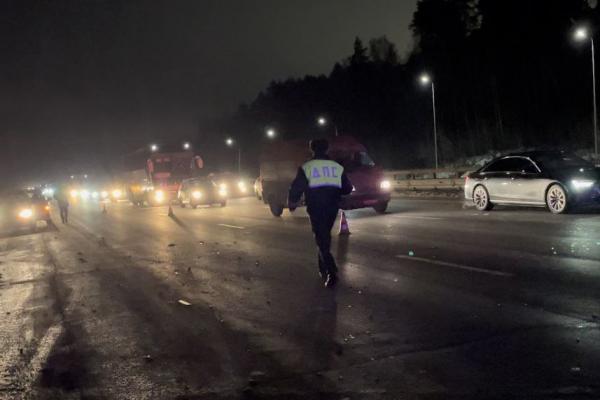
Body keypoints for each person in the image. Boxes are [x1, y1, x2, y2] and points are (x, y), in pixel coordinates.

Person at [288, 139, 353, 288]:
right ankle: (322, 268)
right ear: (327, 149)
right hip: (332, 207)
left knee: (321, 239)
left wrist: (292, 202)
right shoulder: (337, 167)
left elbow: (296, 187)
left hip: (316, 207)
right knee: (323, 237)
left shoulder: (307, 167)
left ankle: (332, 272)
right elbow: (347, 188)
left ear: (312, 149)